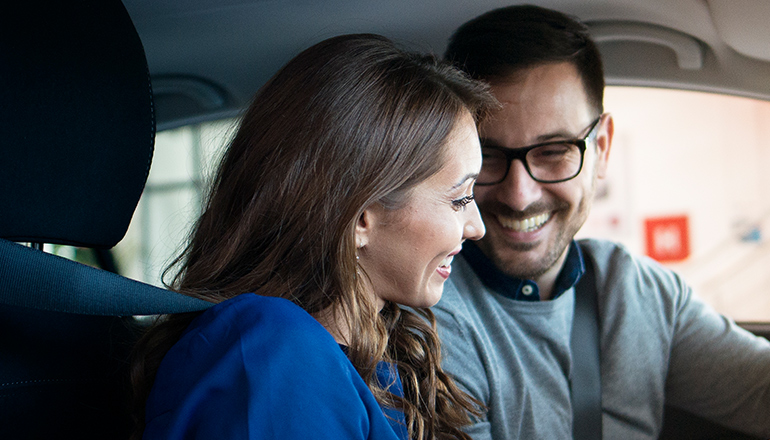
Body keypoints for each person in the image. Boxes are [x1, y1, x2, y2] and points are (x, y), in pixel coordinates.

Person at [432, 5, 770, 440]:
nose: (519, 192)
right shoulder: (430, 315)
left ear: (602, 147)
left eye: (553, 152)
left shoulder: (635, 291)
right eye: (488, 156)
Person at [128, 34, 496, 440]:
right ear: (361, 218)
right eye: (460, 198)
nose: (476, 226)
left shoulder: (378, 357)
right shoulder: (273, 355)